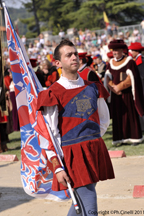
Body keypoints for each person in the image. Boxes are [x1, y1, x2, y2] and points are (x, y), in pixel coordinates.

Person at [37, 39, 114, 216]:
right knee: (89, 205)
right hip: (71, 155)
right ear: (58, 63)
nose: (74, 57)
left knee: (80, 202)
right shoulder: (52, 93)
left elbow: (104, 120)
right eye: (68, 55)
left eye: (75, 54)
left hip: (94, 149)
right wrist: (57, 167)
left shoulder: (93, 88)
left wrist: (90, 139)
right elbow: (50, 135)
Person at [104, 39, 144, 146]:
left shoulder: (129, 61)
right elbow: (107, 78)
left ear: (122, 50)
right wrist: (114, 88)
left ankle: (134, 138)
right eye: (113, 51)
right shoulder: (110, 63)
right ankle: (119, 139)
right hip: (116, 96)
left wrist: (120, 87)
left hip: (127, 95)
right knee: (118, 117)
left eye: (117, 50)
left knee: (130, 116)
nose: (115, 53)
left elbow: (132, 78)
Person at [128, 42, 144, 131]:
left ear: (136, 51)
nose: (131, 52)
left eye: (132, 51)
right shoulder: (138, 59)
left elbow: (142, 76)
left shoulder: (141, 60)